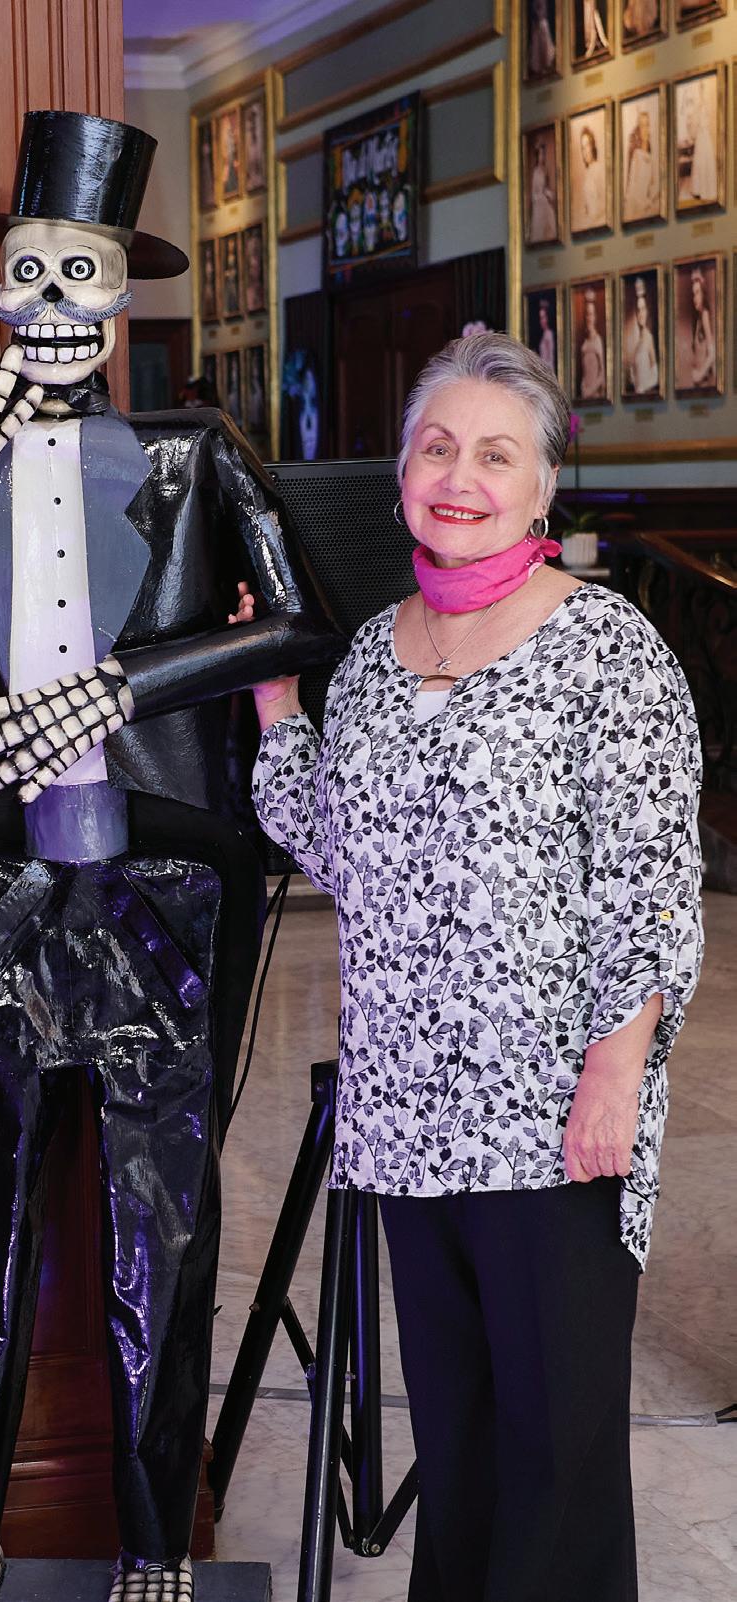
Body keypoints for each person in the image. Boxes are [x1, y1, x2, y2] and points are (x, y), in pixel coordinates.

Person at [0, 110, 338, 1602]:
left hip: (165, 878)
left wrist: (121, 688)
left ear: (123, 295)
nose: (51, 300)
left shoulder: (197, 455)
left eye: (80, 271)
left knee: (162, 1219)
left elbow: (303, 622)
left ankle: (152, 1537)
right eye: (26, 270)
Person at [238, 331, 703, 1602]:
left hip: (551, 1112)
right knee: (458, 1443)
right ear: (401, 476)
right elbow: (342, 849)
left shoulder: (608, 650)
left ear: (543, 486)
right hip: (405, 1111)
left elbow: (651, 884)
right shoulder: (376, 653)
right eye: (437, 449)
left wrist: (617, 1075)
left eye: (497, 456)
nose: (460, 478)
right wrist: (278, 711)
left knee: (555, 1452)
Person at [680, 85, 718, 205]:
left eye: (702, 91)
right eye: (700, 91)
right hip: (701, 136)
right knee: (699, 161)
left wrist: (702, 126)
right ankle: (698, 189)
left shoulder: (706, 107)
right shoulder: (697, 109)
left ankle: (707, 189)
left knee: (706, 160)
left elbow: (706, 121)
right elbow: (694, 124)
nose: (701, 94)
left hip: (704, 135)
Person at [624, 106, 660, 221]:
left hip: (647, 206)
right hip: (635, 206)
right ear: (638, 129)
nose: (645, 129)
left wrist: (650, 199)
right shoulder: (636, 155)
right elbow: (632, 186)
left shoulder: (652, 156)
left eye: (647, 125)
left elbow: (655, 183)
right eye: (642, 126)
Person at [628, 277, 660, 396]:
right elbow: (633, 375)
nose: (641, 314)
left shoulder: (649, 337)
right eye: (638, 310)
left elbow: (655, 375)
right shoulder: (637, 341)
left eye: (643, 309)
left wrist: (643, 387)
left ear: (647, 311)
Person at [686, 268, 716, 390]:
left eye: (698, 293)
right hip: (698, 385)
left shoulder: (704, 314)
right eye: (694, 294)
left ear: (703, 293)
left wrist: (699, 374)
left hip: (704, 383)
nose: (695, 298)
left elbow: (712, 354)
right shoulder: (698, 318)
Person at [573, 124, 605, 232]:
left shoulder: (599, 169)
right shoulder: (588, 173)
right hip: (590, 225)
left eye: (587, 145)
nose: (585, 151)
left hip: (599, 223)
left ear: (592, 146)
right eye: (582, 148)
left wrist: (592, 219)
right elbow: (587, 205)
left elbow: (604, 203)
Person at [580, 288, 607, 400]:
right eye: (587, 315)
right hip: (585, 392)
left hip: (594, 394)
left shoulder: (598, 341)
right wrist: (583, 386)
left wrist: (589, 391)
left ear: (595, 317)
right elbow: (584, 372)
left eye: (591, 314)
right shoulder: (585, 343)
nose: (589, 318)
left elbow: (602, 373)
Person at [529, 138, 557, 241]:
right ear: (537, 156)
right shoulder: (535, 172)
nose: (542, 157)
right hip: (539, 201)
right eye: (540, 154)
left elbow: (546, 187)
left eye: (543, 154)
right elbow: (534, 192)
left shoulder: (545, 170)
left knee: (551, 216)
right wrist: (540, 196)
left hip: (544, 198)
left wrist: (548, 193)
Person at [529, 0, 556, 76]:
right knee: (538, 45)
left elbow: (544, 10)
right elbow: (535, 9)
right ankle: (540, 67)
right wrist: (538, 17)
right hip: (538, 24)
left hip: (543, 23)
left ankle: (545, 64)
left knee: (544, 45)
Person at [536, 297, 556, 372]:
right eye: (540, 318)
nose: (541, 321)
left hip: (547, 370)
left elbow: (550, 358)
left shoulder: (548, 334)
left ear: (547, 318)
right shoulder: (545, 334)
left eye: (543, 318)